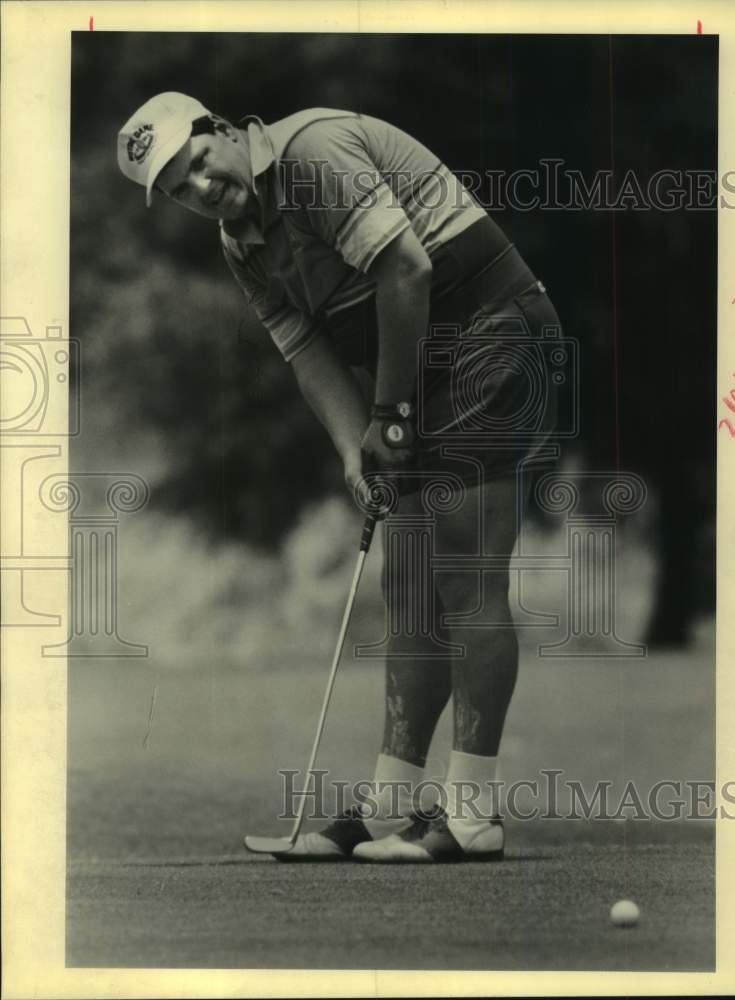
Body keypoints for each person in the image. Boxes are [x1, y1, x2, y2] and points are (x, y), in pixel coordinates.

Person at [117, 92, 562, 863]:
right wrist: (352, 444)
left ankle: (471, 814)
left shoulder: (312, 156)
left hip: (493, 335)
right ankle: (390, 806)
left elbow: (406, 268)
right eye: (176, 190)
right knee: (408, 584)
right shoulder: (240, 240)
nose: (198, 188)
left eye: (196, 163)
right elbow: (306, 351)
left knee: (465, 575)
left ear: (222, 132)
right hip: (419, 367)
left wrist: (387, 412)